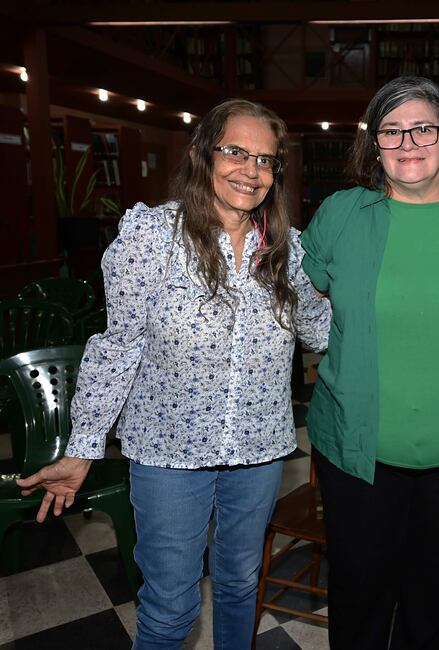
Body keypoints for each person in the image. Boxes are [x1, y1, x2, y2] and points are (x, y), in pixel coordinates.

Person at [17, 99, 331, 649]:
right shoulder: (150, 238)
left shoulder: (285, 247)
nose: (251, 170)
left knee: (238, 585)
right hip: (169, 454)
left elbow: (320, 331)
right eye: (236, 152)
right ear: (201, 155)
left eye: (265, 159)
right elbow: (118, 347)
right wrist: (83, 446)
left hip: (257, 451)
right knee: (169, 610)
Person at [300, 75, 439, 650]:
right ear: (374, 144)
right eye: (391, 130)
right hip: (358, 457)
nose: (407, 141)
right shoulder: (341, 213)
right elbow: (293, 293)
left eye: (423, 128)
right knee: (359, 601)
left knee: (434, 604)